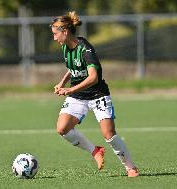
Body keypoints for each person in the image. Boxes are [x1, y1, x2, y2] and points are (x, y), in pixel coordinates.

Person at [50, 11, 139, 177]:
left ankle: (130, 167)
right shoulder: (65, 48)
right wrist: (62, 82)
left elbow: (93, 77)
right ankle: (95, 151)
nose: (54, 38)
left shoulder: (85, 48)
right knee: (62, 128)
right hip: (78, 95)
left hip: (98, 94)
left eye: (55, 34)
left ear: (65, 32)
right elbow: (73, 68)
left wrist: (70, 89)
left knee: (109, 134)